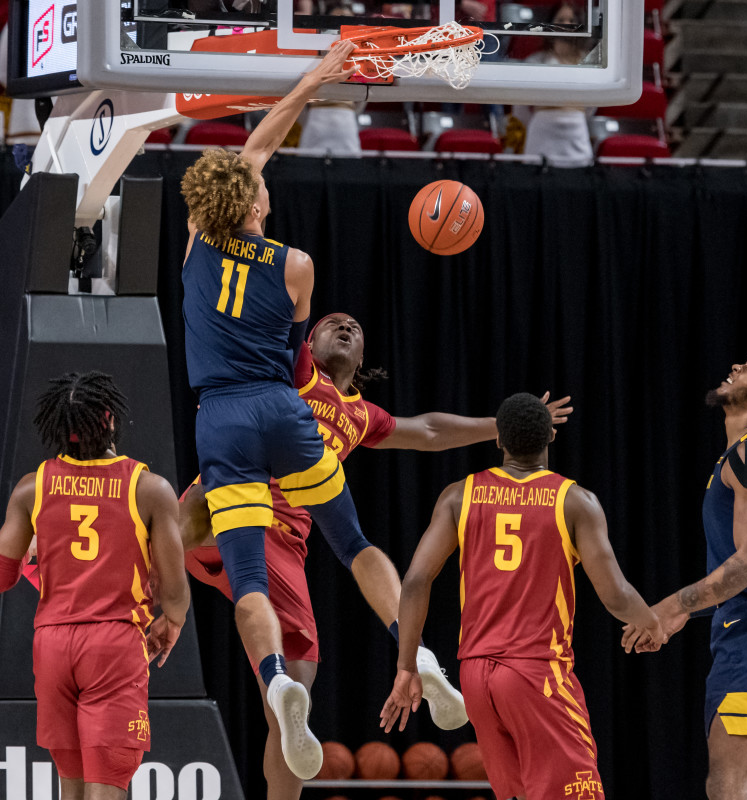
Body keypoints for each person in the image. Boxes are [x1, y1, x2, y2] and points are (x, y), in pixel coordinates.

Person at [180, 313, 572, 800]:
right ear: (310, 342)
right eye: (332, 323)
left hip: (282, 546)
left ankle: (287, 704)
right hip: (236, 504)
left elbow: (429, 431)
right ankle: (141, 581)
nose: (344, 326)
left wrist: (507, 426)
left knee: (291, 694)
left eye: (355, 328)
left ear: (362, 359)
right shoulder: (297, 370)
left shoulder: (361, 415)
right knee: (200, 506)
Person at [177, 40, 406, 781]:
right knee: (351, 543)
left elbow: (258, 144)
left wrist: (303, 85)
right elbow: (289, 342)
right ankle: (405, 645)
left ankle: (258, 664)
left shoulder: (196, 244)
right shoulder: (297, 266)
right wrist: (317, 78)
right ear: (252, 205)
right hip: (282, 416)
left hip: (222, 416)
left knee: (193, 532)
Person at [380, 392, 664, 800]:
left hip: (475, 676)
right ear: (551, 436)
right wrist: (651, 623)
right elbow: (616, 595)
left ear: (498, 440)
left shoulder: (460, 495)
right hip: (536, 673)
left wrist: (407, 664)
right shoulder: (575, 501)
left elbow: (414, 581)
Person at [624, 342, 747, 800]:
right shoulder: (745, 455)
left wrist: (669, 607)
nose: (736, 365)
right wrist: (682, 616)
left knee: (728, 785)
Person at [0, 371, 190, 800]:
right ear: (111, 419)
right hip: (114, 644)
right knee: (109, 787)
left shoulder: (31, 488)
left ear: (59, 427)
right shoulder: (149, 489)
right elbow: (173, 590)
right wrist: (172, 623)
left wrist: (34, 553)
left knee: (71, 790)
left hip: (53, 646)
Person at [512, 2, 599, 165]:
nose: (565, 24)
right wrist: (543, 116)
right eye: (560, 19)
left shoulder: (588, 63)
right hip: (541, 132)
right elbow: (519, 106)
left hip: (576, 132)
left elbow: (592, 105)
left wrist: (572, 113)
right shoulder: (535, 61)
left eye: (571, 20)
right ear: (550, 25)